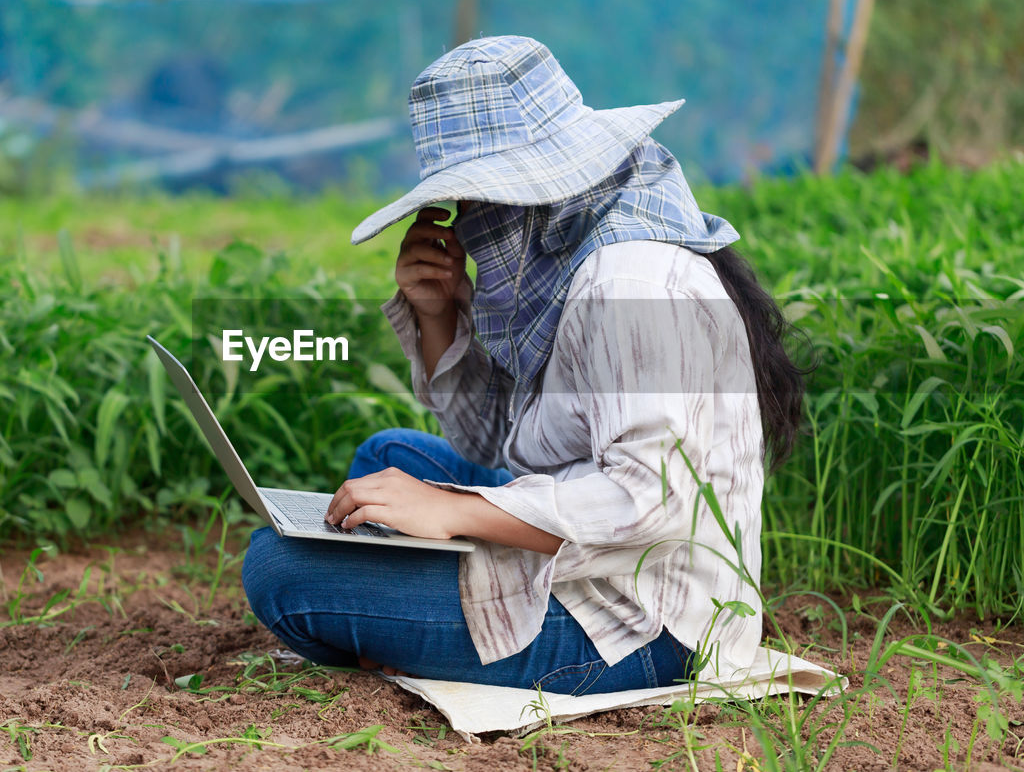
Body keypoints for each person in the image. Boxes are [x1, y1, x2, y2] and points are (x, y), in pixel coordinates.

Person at [242, 35, 806, 695]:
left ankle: (395, 631)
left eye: (474, 199)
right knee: (388, 456)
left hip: (645, 620)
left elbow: (649, 501)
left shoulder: (629, 278)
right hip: (587, 554)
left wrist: (451, 508)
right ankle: (396, 624)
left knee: (279, 568)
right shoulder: (569, 257)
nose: (466, 223)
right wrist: (437, 316)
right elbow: (498, 442)